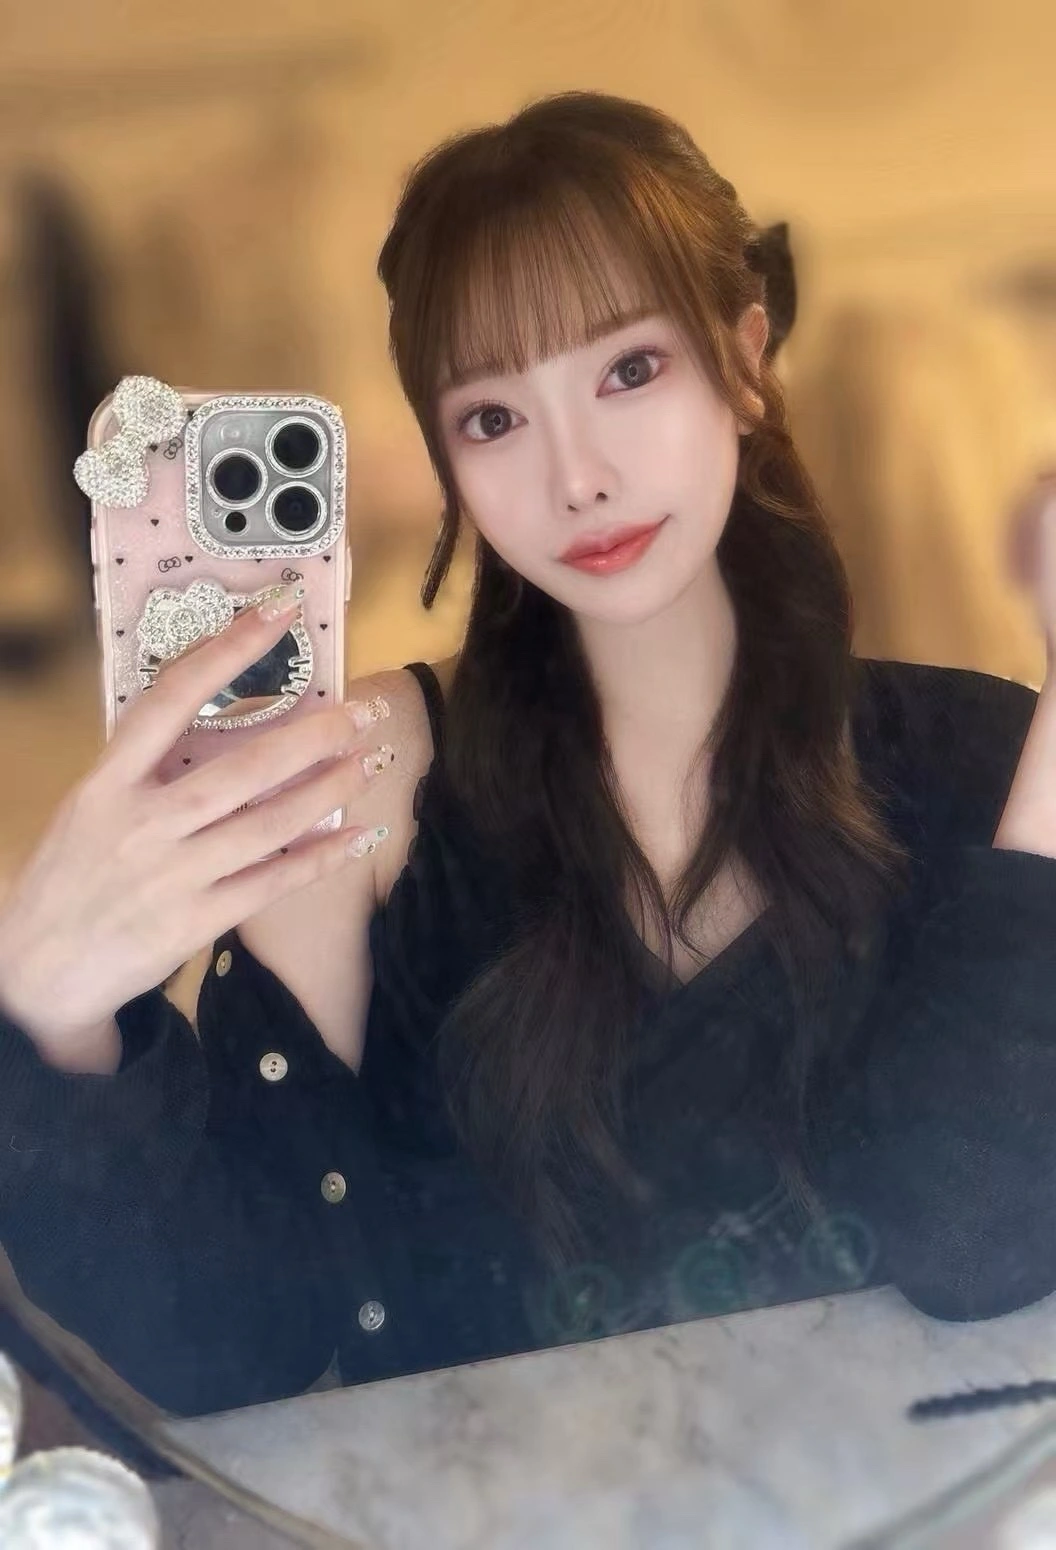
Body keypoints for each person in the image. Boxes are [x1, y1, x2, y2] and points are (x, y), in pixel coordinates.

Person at [0, 90, 1055, 1421]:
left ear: (744, 357)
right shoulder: (366, 782)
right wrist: (57, 1019)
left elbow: (975, 1243)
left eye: (629, 371)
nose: (576, 477)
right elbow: (239, 1340)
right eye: (493, 417)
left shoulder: (983, 758)